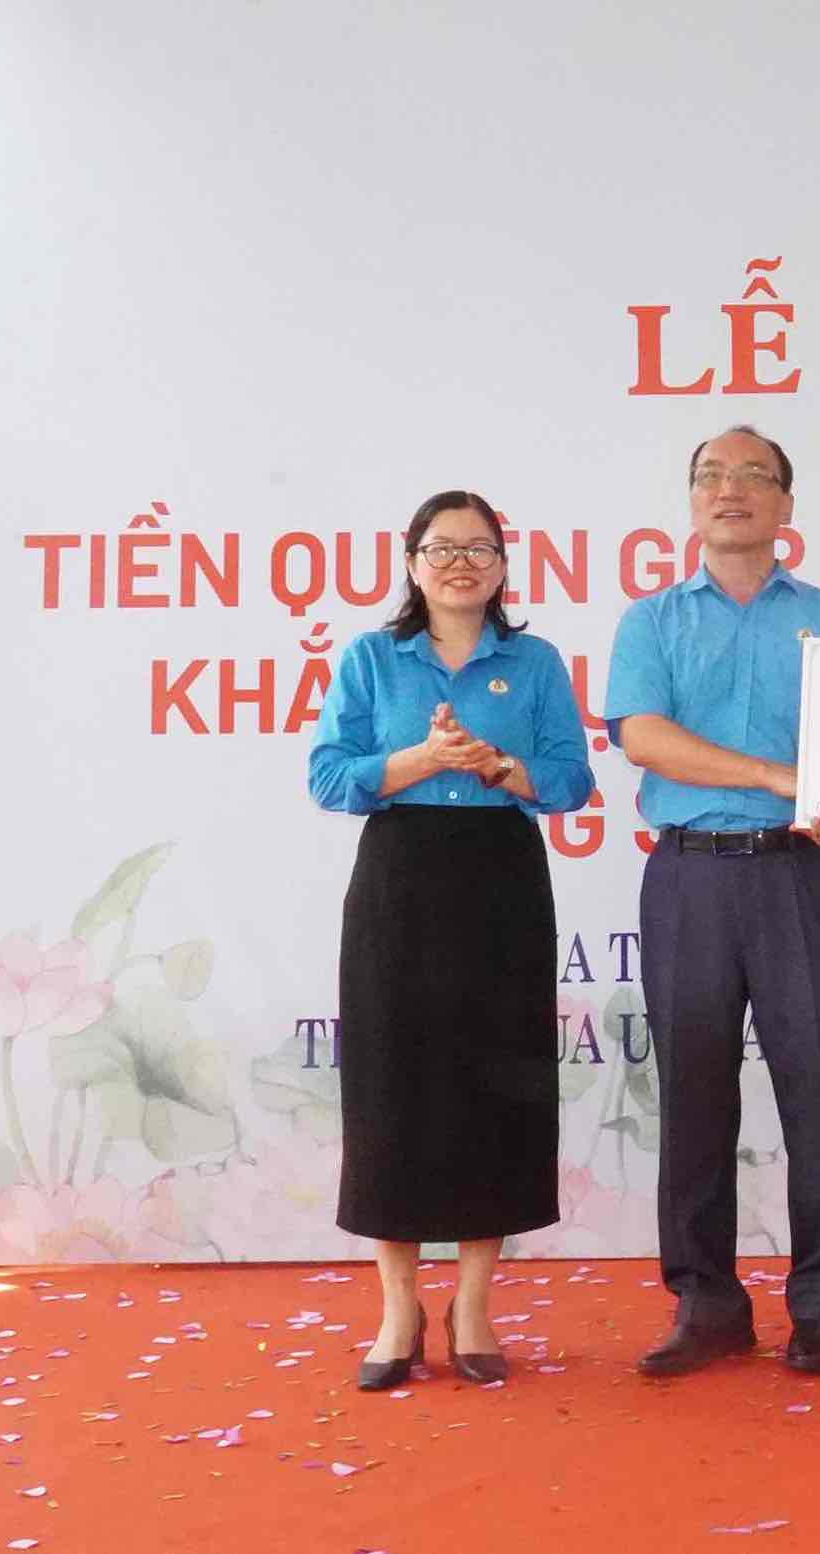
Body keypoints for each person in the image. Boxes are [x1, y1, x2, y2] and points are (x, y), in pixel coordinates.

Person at [309, 490, 595, 1390]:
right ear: (411, 564)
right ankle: (398, 1309)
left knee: (493, 1084)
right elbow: (327, 775)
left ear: (504, 566)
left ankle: (474, 1306)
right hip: (401, 877)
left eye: (479, 548)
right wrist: (420, 762)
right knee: (393, 1085)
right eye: (441, 548)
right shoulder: (371, 657)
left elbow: (571, 779)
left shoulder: (535, 660)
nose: (460, 563)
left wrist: (500, 766)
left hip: (501, 879)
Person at [605, 426, 820, 1378]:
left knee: (815, 1088)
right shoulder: (652, 621)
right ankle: (705, 1301)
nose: (731, 489)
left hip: (801, 873)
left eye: (755, 475)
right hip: (690, 876)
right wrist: (778, 777)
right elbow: (644, 738)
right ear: (690, 501)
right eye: (711, 474)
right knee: (695, 1093)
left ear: (788, 506)